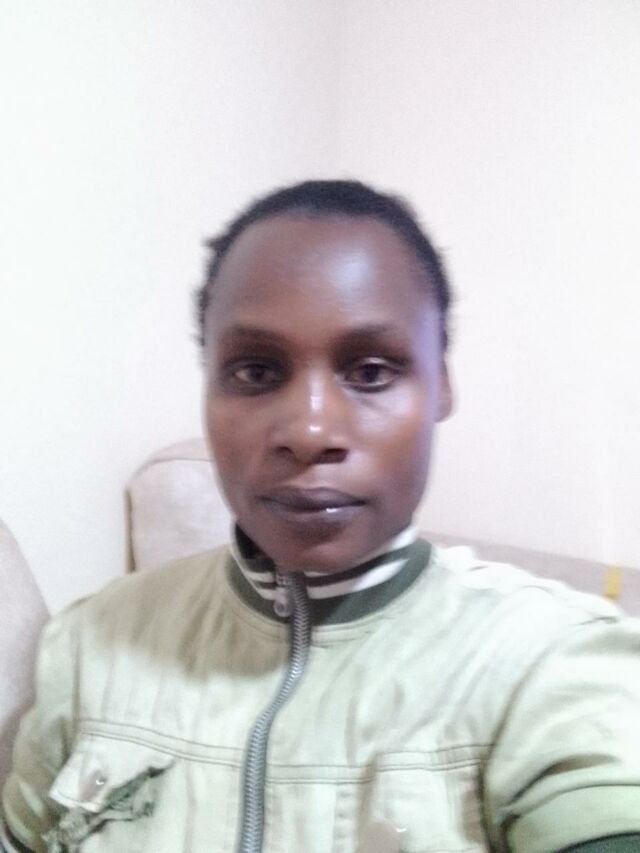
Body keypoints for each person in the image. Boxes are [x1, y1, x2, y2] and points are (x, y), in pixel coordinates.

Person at [2, 180, 640, 853]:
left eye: (371, 371)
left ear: (442, 386)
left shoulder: (553, 661)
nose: (309, 432)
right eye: (255, 371)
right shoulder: (91, 643)